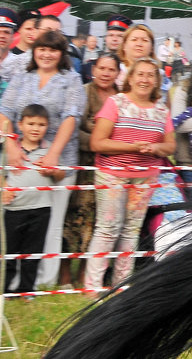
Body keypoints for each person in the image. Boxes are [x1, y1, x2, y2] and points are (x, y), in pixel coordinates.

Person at [0, 29, 86, 288]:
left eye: (53, 49)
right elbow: (4, 112)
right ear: (34, 50)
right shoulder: (21, 76)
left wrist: (53, 155)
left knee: (50, 223)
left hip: (58, 161)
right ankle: (12, 281)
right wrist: (11, 143)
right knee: (15, 220)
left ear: (62, 54)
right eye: (42, 48)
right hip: (19, 159)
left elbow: (72, 117)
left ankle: (42, 281)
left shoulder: (71, 79)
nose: (47, 54)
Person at [83, 57, 174, 295]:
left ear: (156, 81)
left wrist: (156, 149)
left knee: (131, 229)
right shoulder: (116, 103)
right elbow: (97, 142)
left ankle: (121, 284)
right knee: (108, 227)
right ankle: (92, 286)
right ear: (130, 78)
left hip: (145, 177)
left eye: (150, 75)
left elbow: (170, 146)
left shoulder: (162, 110)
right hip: (112, 175)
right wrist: (133, 147)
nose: (144, 79)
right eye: (140, 74)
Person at [61, 51, 120, 290]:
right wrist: (100, 141)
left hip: (111, 165)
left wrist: (111, 145)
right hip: (82, 163)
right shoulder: (83, 92)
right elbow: (73, 127)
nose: (106, 73)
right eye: (102, 68)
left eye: (111, 69)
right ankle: (65, 274)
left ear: (118, 73)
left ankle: (86, 273)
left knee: (98, 221)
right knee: (72, 218)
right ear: (93, 70)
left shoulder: (121, 97)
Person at [3, 104, 65, 294]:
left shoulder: (50, 151)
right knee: (9, 252)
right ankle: (5, 290)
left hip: (41, 209)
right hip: (13, 210)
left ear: (47, 127)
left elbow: (61, 175)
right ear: (20, 125)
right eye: (31, 123)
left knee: (32, 252)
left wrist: (52, 170)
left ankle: (26, 290)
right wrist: (4, 188)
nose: (35, 128)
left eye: (41, 124)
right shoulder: (10, 150)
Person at [80, 15, 131, 84]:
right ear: (105, 38)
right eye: (111, 35)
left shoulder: (131, 69)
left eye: (120, 36)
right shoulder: (90, 66)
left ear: (126, 40)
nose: (114, 39)